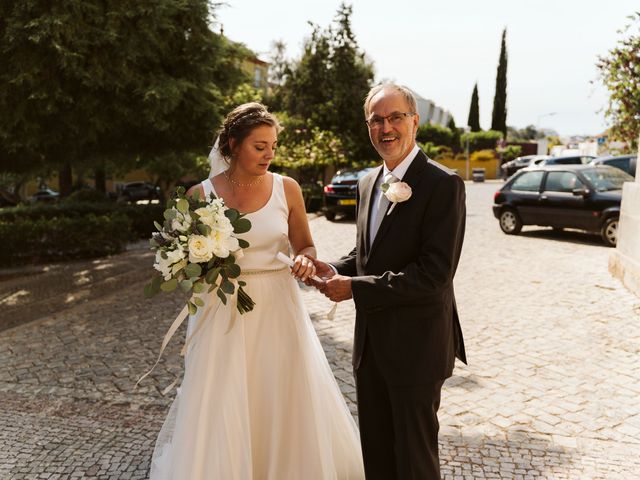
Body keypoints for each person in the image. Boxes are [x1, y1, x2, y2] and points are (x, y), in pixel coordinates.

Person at [150, 102, 365, 480]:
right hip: (221, 311)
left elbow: (306, 246)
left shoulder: (288, 188)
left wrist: (305, 260)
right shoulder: (200, 195)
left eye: (273, 146)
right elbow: (184, 259)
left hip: (278, 309)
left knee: (280, 394)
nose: (269, 154)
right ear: (233, 144)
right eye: (259, 146)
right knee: (221, 397)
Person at [311, 84, 467, 480]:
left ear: (414, 121)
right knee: (377, 456)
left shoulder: (443, 184)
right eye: (376, 120)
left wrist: (356, 288)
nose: (386, 128)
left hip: (417, 349)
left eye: (395, 117)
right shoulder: (366, 183)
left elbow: (434, 274)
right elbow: (368, 256)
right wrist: (329, 269)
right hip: (370, 348)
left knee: (414, 462)